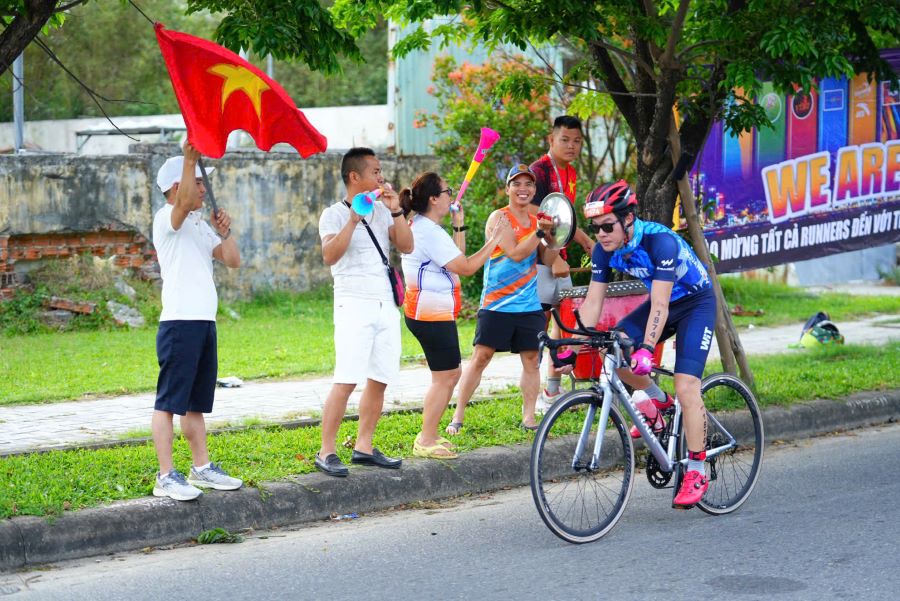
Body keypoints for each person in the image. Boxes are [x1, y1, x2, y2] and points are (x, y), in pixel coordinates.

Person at [574, 180, 717, 508]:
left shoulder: (659, 242)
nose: (601, 235)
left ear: (627, 220)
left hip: (694, 303)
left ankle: (696, 468)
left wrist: (647, 348)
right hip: (661, 302)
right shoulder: (604, 250)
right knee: (615, 351)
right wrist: (571, 344)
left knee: (686, 386)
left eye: (608, 226)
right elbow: (592, 304)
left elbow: (660, 306)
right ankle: (657, 404)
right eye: (595, 228)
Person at [150, 142, 243, 501]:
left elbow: (232, 260)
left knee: (195, 404)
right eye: (199, 183)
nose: (205, 189)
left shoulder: (199, 226)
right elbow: (185, 200)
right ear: (178, 187)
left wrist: (225, 232)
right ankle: (166, 475)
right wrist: (190, 160)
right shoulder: (167, 218)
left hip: (204, 323)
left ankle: (201, 468)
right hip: (178, 324)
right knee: (168, 403)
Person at [315, 147, 414, 477]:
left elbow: (406, 246)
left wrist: (397, 210)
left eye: (381, 170)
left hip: (385, 302)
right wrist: (353, 219)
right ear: (354, 176)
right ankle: (326, 450)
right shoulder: (332, 214)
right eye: (375, 171)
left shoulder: (384, 211)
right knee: (346, 379)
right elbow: (330, 255)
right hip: (352, 303)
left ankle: (364, 447)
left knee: (380, 378)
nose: (381, 176)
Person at [399, 172, 510, 458]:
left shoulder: (428, 227)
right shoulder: (428, 232)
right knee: (446, 376)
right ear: (434, 199)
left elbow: (455, 259)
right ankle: (425, 439)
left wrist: (458, 226)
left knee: (449, 373)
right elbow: (467, 267)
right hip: (430, 313)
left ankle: (430, 434)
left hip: (430, 310)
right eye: (447, 191)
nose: (451, 195)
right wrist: (495, 239)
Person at [446, 164, 560, 434]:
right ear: (507, 189)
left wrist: (554, 238)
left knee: (532, 359)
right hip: (497, 303)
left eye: (529, 184)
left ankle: (529, 417)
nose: (524, 189)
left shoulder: (537, 223)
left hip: (529, 304)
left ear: (534, 189)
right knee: (481, 357)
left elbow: (546, 260)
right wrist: (541, 233)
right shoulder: (500, 218)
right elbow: (517, 253)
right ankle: (458, 415)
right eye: (517, 184)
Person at [528, 116, 594, 410]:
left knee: (564, 320)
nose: (571, 145)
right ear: (551, 140)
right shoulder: (538, 170)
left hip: (560, 257)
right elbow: (533, 213)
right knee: (538, 326)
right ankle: (531, 403)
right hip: (538, 259)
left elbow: (566, 218)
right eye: (565, 139)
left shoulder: (570, 172)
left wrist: (586, 241)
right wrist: (550, 258)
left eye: (577, 141)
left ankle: (552, 389)